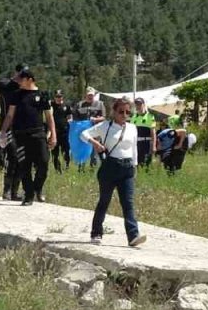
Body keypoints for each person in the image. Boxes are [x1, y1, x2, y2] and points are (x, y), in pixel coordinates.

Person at [82, 98, 147, 246]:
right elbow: (84, 134)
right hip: (110, 167)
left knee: (128, 203)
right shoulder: (105, 126)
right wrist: (95, 143)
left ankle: (133, 236)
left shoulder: (132, 128)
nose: (124, 115)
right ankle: (96, 232)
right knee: (104, 201)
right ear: (114, 112)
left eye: (127, 112)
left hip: (127, 168)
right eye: (121, 112)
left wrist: (135, 167)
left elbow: (134, 149)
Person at [2, 68, 55, 205]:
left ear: (30, 80)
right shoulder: (16, 95)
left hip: (38, 133)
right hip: (20, 134)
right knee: (24, 165)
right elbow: (10, 115)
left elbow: (49, 117)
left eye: (22, 79)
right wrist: (3, 131)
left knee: (43, 163)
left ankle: (37, 188)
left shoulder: (42, 95)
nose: (19, 81)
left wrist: (53, 134)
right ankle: (28, 195)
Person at [0, 66, 23, 200]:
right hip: (7, 125)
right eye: (20, 73)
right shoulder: (3, 84)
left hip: (23, 126)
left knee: (21, 158)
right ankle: (7, 190)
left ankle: (15, 191)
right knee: (12, 156)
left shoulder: (26, 87)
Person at [130, 98, 157, 169]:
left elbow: (153, 133)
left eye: (140, 104)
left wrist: (154, 146)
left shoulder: (150, 116)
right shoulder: (133, 117)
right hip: (136, 143)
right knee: (136, 164)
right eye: (136, 104)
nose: (138, 106)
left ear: (144, 105)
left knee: (146, 164)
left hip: (146, 143)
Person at [50, 90, 72, 173]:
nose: (59, 98)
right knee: (55, 152)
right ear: (54, 97)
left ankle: (66, 166)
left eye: (60, 96)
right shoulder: (51, 105)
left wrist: (68, 121)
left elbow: (69, 116)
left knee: (66, 150)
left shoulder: (66, 105)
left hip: (64, 132)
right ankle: (57, 169)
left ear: (62, 97)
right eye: (57, 96)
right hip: (54, 132)